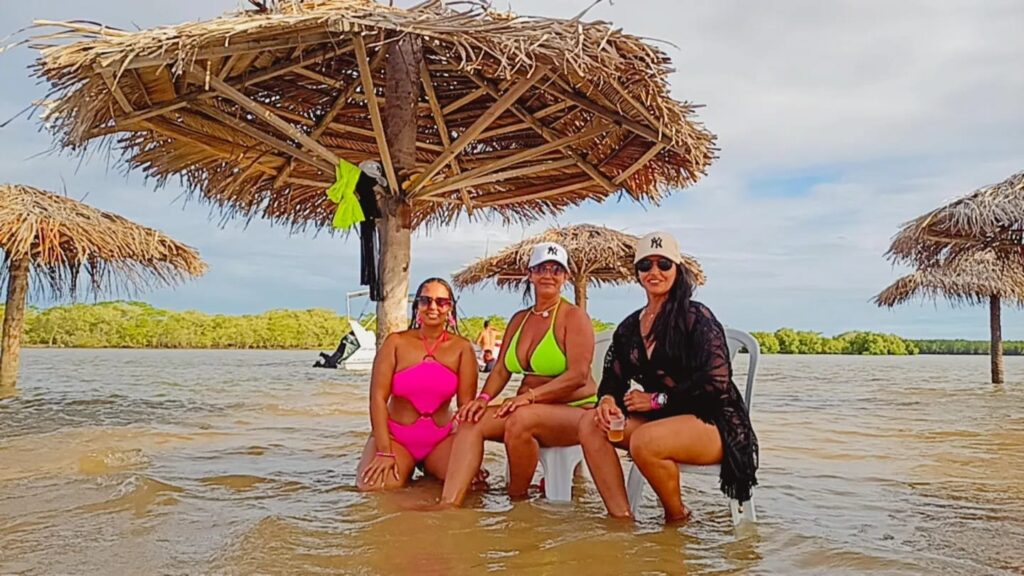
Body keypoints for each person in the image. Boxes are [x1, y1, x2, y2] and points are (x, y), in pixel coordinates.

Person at [578, 231, 759, 522]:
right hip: (661, 419)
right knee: (590, 423)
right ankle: (622, 520)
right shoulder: (629, 327)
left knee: (645, 441)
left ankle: (677, 519)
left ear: (677, 269)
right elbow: (613, 375)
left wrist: (656, 400)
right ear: (637, 273)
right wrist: (608, 400)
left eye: (663, 264)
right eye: (645, 265)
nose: (654, 271)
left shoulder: (696, 317)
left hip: (713, 420)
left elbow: (716, 382)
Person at [440, 242, 597, 505]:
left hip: (576, 410)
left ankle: (517, 501)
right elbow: (501, 369)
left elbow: (578, 375)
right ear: (530, 274)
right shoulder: (519, 319)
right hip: (529, 409)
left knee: (520, 420)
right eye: (541, 269)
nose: (548, 275)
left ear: (566, 277)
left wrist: (528, 397)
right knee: (470, 421)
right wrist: (483, 399)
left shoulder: (574, 317)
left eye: (556, 270)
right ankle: (449, 503)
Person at [356, 278, 478, 490]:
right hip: (395, 438)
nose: (433, 307)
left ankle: (428, 481)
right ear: (417, 306)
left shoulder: (463, 348)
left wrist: (469, 456)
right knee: (374, 489)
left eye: (441, 302)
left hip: (442, 439)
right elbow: (377, 399)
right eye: (425, 300)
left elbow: (466, 408)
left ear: (450, 307)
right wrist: (384, 451)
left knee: (471, 487)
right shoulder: (395, 343)